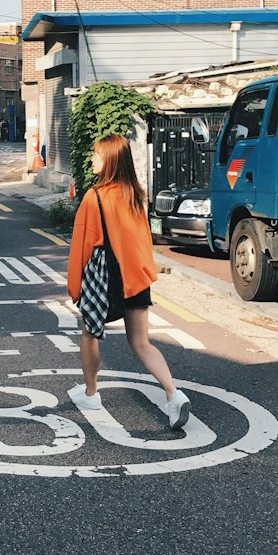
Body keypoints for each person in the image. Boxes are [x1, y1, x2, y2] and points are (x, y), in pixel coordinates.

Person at [67, 133, 190, 429]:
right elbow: (141, 240)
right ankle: (174, 394)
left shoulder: (94, 197)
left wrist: (74, 288)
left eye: (97, 155)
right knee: (141, 342)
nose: (92, 159)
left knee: (89, 333)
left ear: (109, 160)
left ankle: (91, 393)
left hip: (105, 279)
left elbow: (82, 246)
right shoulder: (135, 193)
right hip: (136, 277)